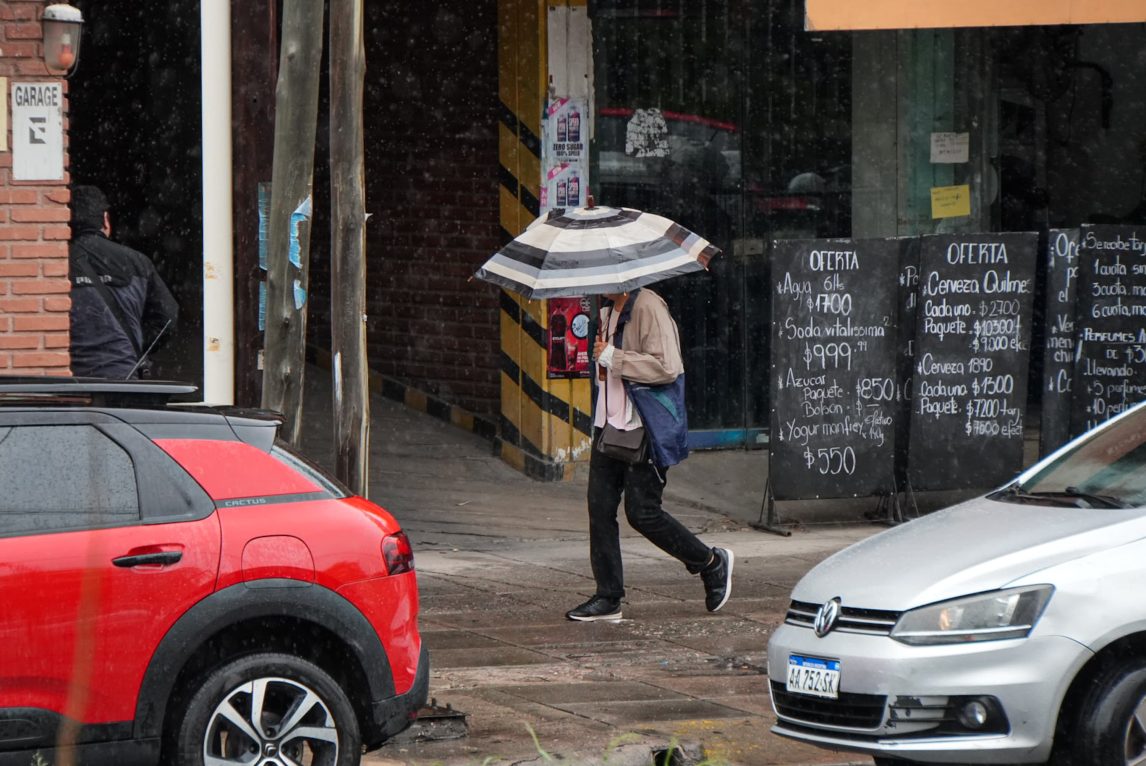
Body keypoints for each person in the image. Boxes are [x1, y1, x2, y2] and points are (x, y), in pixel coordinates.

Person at [566, 287, 733, 621]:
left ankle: (711, 562)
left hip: (645, 426)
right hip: (609, 425)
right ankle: (608, 596)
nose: (595, 285)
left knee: (642, 512)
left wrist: (613, 356)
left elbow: (667, 367)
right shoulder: (607, 308)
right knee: (599, 509)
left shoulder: (648, 305)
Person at [68, 185, 179, 379]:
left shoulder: (55, 264)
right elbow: (167, 319)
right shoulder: (137, 262)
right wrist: (133, 344)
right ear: (105, 219)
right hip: (122, 376)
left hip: (68, 378)